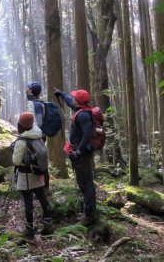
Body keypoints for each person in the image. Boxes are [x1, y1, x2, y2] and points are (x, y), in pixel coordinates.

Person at [53, 88, 97, 226]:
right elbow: (70, 102)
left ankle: (89, 215)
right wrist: (61, 94)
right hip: (82, 153)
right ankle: (90, 211)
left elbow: (87, 135)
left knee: (85, 184)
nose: (73, 100)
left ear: (78, 101)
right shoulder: (81, 110)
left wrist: (78, 151)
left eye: (74, 98)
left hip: (81, 155)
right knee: (86, 182)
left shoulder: (83, 116)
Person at [12, 112, 52, 238]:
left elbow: (17, 161)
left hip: (25, 176)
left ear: (20, 125)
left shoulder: (22, 141)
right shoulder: (38, 134)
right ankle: (47, 224)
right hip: (39, 173)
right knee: (42, 198)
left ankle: (29, 229)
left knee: (28, 202)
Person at [26, 81, 51, 194]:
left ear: (31, 91)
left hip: (37, 136)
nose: (26, 90)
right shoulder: (36, 103)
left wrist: (30, 131)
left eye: (28, 88)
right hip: (37, 135)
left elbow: (39, 122)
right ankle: (39, 187)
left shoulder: (36, 104)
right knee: (36, 160)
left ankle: (45, 188)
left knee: (40, 161)